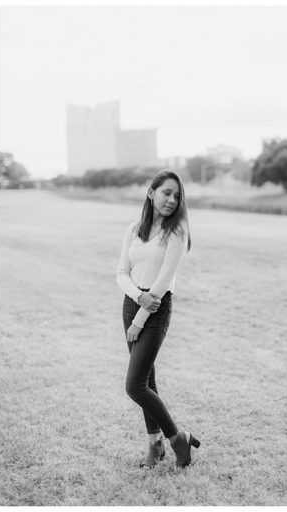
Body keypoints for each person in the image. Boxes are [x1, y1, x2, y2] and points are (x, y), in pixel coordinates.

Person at [116, 169, 199, 469]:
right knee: (147, 380)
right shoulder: (134, 230)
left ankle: (178, 438)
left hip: (156, 309)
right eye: (166, 193)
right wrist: (137, 301)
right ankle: (155, 446)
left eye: (177, 196)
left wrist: (140, 318)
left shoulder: (177, 232)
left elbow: (161, 285)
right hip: (132, 304)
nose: (172, 200)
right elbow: (121, 273)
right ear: (151, 193)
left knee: (135, 385)